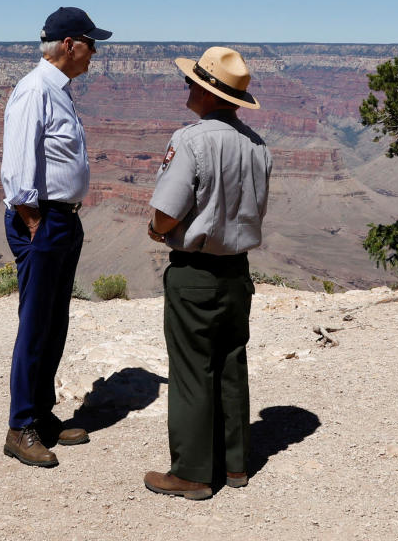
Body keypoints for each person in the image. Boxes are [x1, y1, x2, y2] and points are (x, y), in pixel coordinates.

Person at [143, 46, 272, 499]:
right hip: (238, 272)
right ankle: (235, 465)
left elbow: (165, 212)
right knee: (231, 361)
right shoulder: (257, 146)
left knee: (192, 368)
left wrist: (158, 231)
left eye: (192, 81)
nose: (186, 87)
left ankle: (192, 474)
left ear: (207, 91)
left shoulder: (192, 140)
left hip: (194, 272)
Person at [0, 7, 112, 467]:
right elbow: (18, 164)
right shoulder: (35, 90)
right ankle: (19, 427)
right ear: (70, 44)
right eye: (92, 44)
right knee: (35, 326)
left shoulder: (58, 89)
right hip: (42, 219)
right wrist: (34, 224)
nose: (95, 54)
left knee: (54, 322)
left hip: (61, 218)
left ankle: (42, 415)